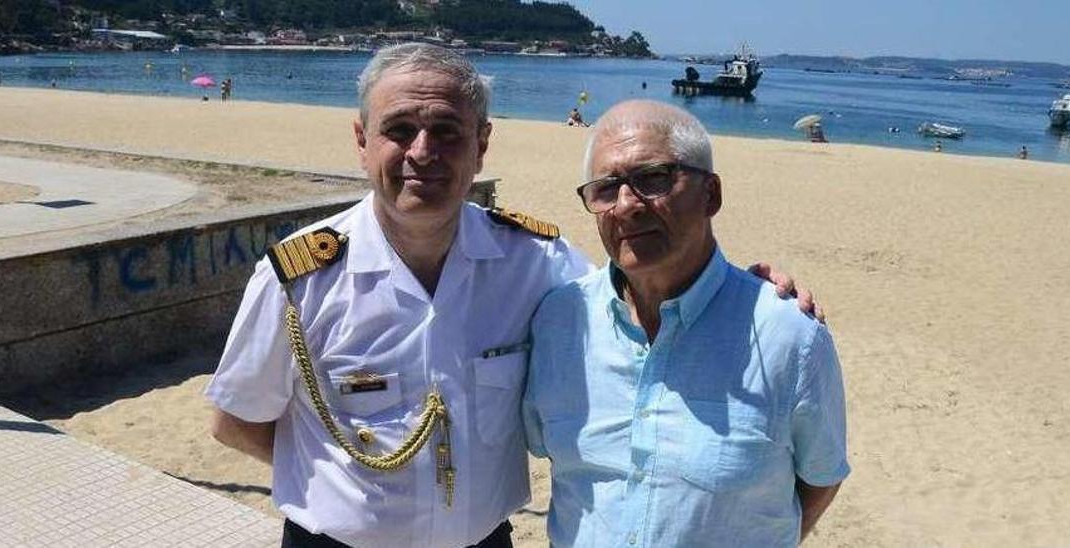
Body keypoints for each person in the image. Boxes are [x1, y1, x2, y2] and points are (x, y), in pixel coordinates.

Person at [206, 44, 816, 548]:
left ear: (482, 145)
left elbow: (636, 293)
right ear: (363, 141)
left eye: (447, 131)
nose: (423, 152)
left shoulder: (536, 263)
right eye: (400, 130)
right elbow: (236, 421)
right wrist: (348, 485)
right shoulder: (299, 277)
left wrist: (748, 289)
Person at [524, 100, 848, 547]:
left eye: (652, 179)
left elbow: (821, 479)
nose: (626, 205)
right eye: (605, 188)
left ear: (710, 194)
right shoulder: (560, 323)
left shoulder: (788, 336)